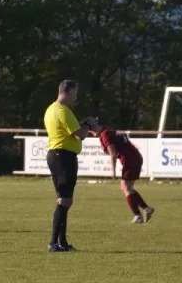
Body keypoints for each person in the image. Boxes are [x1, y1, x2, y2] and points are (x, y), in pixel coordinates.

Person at [43, 80, 93, 252]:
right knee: (65, 201)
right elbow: (80, 135)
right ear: (69, 91)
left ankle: (62, 242)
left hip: (55, 155)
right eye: (76, 93)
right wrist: (88, 124)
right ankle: (53, 243)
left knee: (63, 200)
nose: (76, 97)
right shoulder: (63, 111)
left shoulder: (51, 109)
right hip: (63, 156)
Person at [89, 120, 154, 223]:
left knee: (126, 187)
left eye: (92, 129)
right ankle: (145, 209)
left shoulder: (105, 134)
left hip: (131, 159)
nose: (92, 133)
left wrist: (113, 170)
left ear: (97, 126)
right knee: (126, 187)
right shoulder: (107, 132)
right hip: (133, 158)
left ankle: (138, 215)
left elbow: (113, 153)